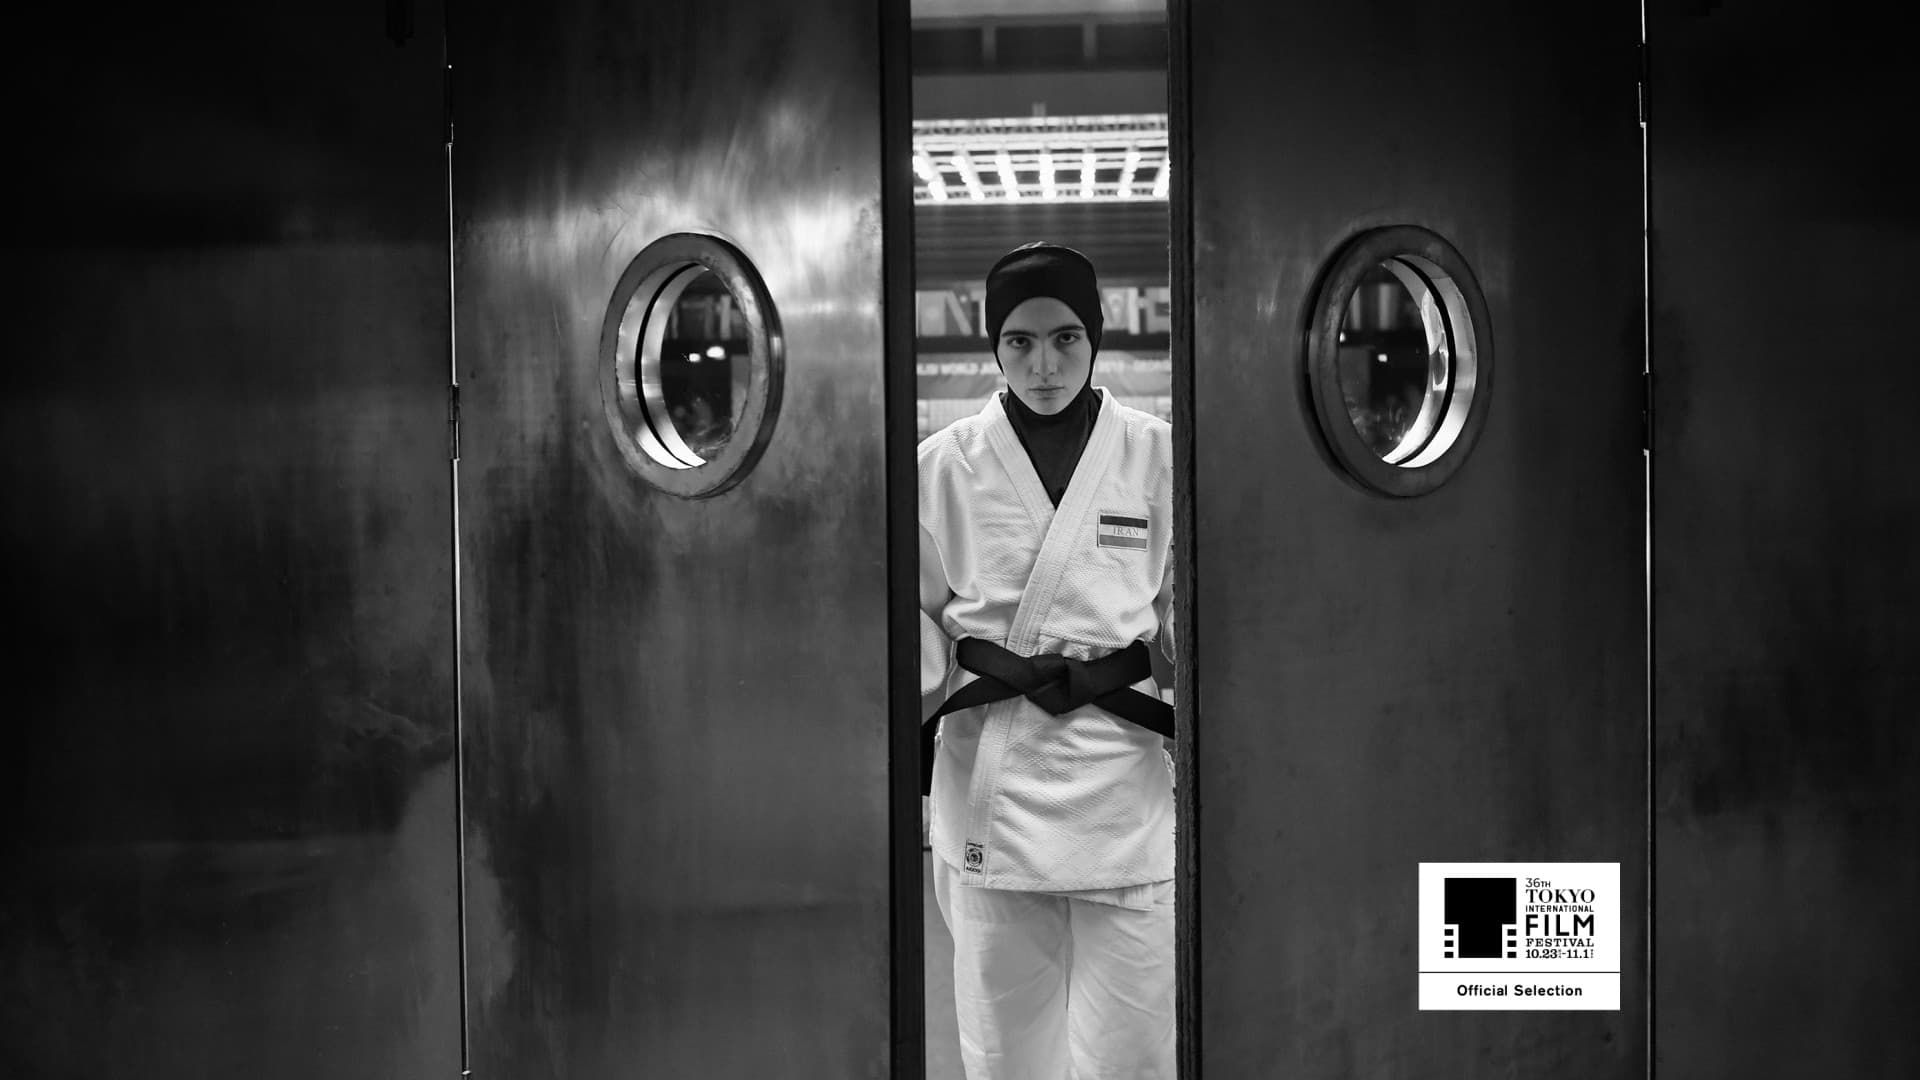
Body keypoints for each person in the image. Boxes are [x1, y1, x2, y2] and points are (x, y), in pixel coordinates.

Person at [918, 242, 1176, 1080]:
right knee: (1006, 1055)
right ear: (994, 346)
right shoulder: (942, 466)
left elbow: (1191, 618)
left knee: (1138, 1054)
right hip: (994, 782)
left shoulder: (1160, 455)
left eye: (1065, 338)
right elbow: (915, 626)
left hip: (1123, 782)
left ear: (1095, 336)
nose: (1044, 365)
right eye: (1020, 342)